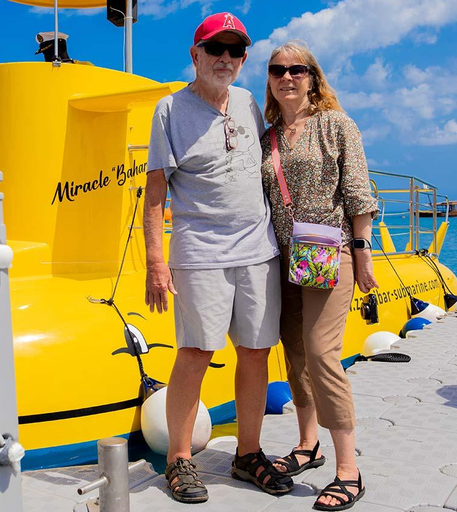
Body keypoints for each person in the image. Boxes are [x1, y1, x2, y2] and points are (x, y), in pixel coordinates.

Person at [144, 12, 294, 505]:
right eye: (215, 49)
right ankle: (180, 459)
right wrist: (155, 263)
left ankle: (248, 454)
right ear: (195, 55)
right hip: (200, 253)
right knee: (196, 353)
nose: (224, 59)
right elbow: (155, 194)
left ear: (243, 58)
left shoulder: (250, 102)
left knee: (255, 352)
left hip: (258, 251)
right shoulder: (168, 110)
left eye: (234, 51)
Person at [260, 42, 378, 511]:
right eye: (277, 70)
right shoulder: (269, 136)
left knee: (322, 351)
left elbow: (356, 190)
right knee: (294, 349)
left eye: (296, 70)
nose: (287, 77)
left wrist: (363, 252)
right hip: (284, 255)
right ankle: (307, 445)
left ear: (312, 77)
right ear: (269, 78)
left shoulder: (337, 125)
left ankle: (348, 469)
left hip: (330, 251)